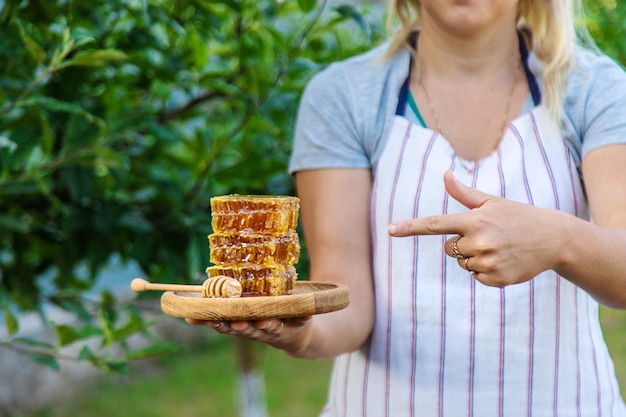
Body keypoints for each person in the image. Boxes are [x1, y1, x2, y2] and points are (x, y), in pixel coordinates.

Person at [188, 0, 626, 415]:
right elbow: (347, 299)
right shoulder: (344, 97)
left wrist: (560, 240)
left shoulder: (594, 90)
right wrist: (296, 328)